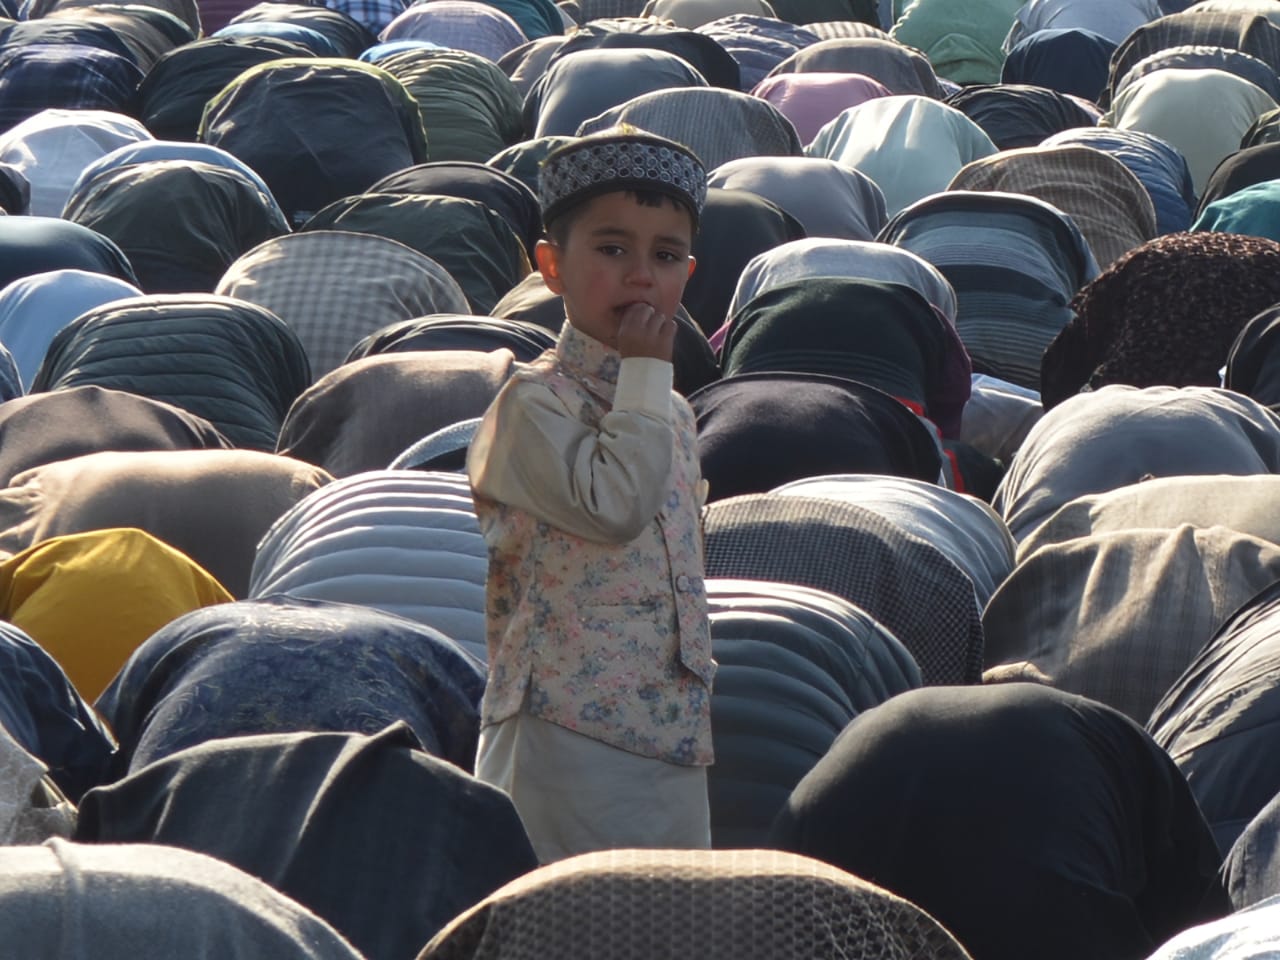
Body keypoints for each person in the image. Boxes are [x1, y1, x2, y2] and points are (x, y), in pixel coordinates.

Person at [466, 127, 716, 863]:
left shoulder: (669, 408)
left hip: (670, 730)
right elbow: (616, 507)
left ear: (688, 274)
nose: (641, 276)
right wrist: (645, 376)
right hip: (560, 735)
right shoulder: (531, 406)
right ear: (551, 267)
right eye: (612, 250)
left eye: (665, 257)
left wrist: (648, 383)